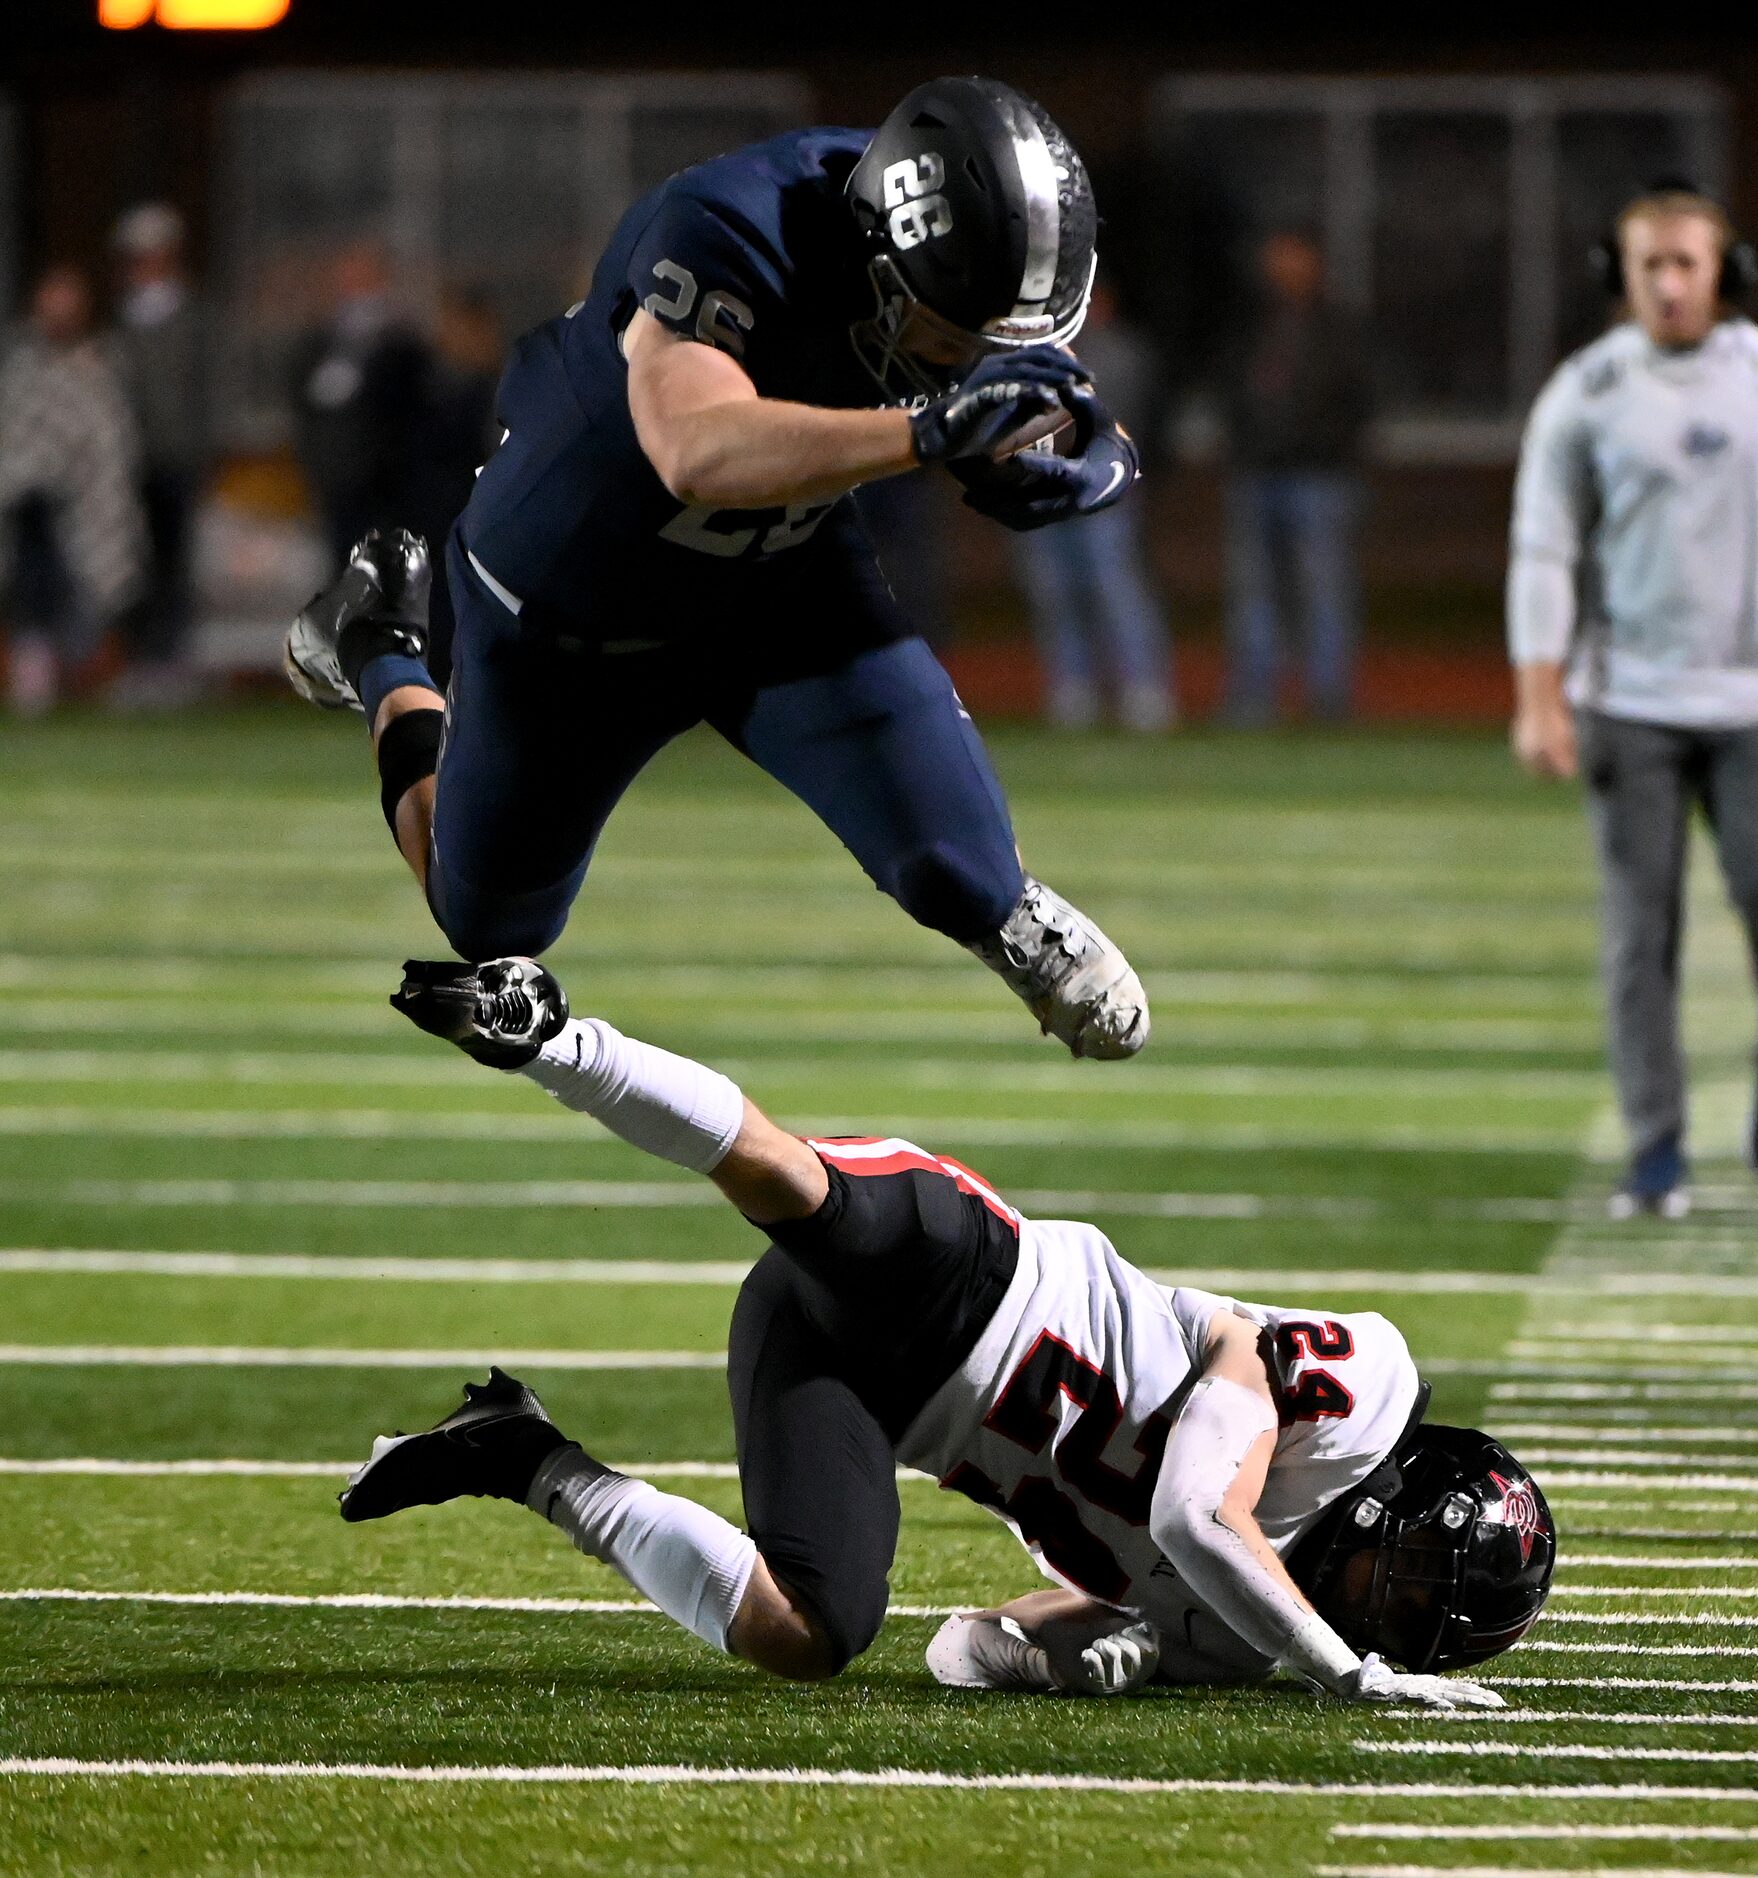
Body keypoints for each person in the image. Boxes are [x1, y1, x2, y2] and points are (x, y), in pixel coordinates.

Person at [340, 954, 1554, 1706]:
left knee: (813, 1636)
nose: (1383, 1614)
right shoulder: (1359, 1397)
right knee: (799, 1190)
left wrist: (1084, 1655)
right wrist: (1337, 1670)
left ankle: (521, 1456)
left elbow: (964, 1651)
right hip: (980, 1277)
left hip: (869, 1393)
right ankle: (551, 1038)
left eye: (1407, 1624)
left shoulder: (1246, 1640)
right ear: (1408, 1497)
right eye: (1407, 1584)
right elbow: (1196, 1511)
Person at [283, 79, 1150, 1061]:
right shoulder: (730, 225)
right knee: (491, 927)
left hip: (778, 576)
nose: (971, 365)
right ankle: (380, 647)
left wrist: (1095, 451)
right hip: (569, 599)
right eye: (956, 339)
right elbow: (692, 447)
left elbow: (1040, 392)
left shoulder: (968, 235)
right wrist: (924, 432)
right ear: (883, 260)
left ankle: (1002, 911)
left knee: (969, 873)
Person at [1509, 183, 1758, 1219]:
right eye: (1648, 263)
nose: (1668, 282)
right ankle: (1657, 1150)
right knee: (1638, 938)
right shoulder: (1589, 390)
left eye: (1686, 262)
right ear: (1621, 275)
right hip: (1633, 703)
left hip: (1752, 705)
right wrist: (1540, 694)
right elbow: (1544, 546)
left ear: (1723, 271)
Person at [1218, 230, 1374, 725]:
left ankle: (1329, 698)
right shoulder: (1250, 322)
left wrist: (1329, 446)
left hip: (1320, 476)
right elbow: (1231, 391)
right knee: (1254, 592)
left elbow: (1360, 399)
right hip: (1257, 473)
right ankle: (1254, 697)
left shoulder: (1338, 325)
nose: (1283, 268)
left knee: (1324, 589)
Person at [1010, 278, 1175, 732]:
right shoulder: (1030, 352)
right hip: (1042, 485)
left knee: (1116, 589)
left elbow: (1126, 422)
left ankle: (1145, 690)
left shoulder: (1121, 353)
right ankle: (1072, 691)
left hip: (1101, 489)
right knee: (1055, 595)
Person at [0, 265, 145, 716]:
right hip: (27, 508)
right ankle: (34, 680)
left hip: (83, 506)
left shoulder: (100, 363)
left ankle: (87, 678)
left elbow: (108, 440)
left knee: (86, 588)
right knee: (29, 594)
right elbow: (17, 431)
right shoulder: (19, 363)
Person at [107, 201, 210, 708]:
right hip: (126, 461)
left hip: (177, 456)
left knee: (174, 559)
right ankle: (141, 658)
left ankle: (172, 659)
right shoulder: (123, 317)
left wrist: (203, 447)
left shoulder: (193, 315)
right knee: (134, 561)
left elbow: (210, 389)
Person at [288, 239, 430, 571]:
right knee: (342, 560)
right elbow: (303, 401)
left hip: (386, 476)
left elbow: (410, 406)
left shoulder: (400, 341)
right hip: (336, 471)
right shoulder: (321, 338)